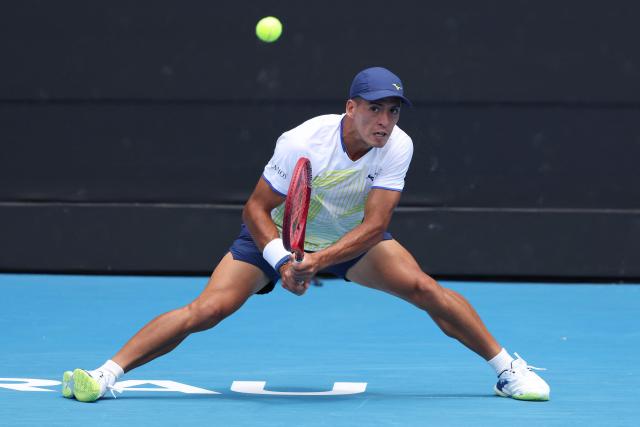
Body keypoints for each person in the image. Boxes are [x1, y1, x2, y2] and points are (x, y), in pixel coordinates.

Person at [62, 66, 550, 402]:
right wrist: (280, 259)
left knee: (425, 288)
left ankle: (507, 370)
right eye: (375, 110)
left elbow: (377, 224)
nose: (385, 121)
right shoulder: (302, 141)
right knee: (206, 310)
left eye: (393, 111)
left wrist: (317, 261)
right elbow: (256, 207)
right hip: (273, 237)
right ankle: (106, 375)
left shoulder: (397, 146)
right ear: (351, 107)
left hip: (347, 238)